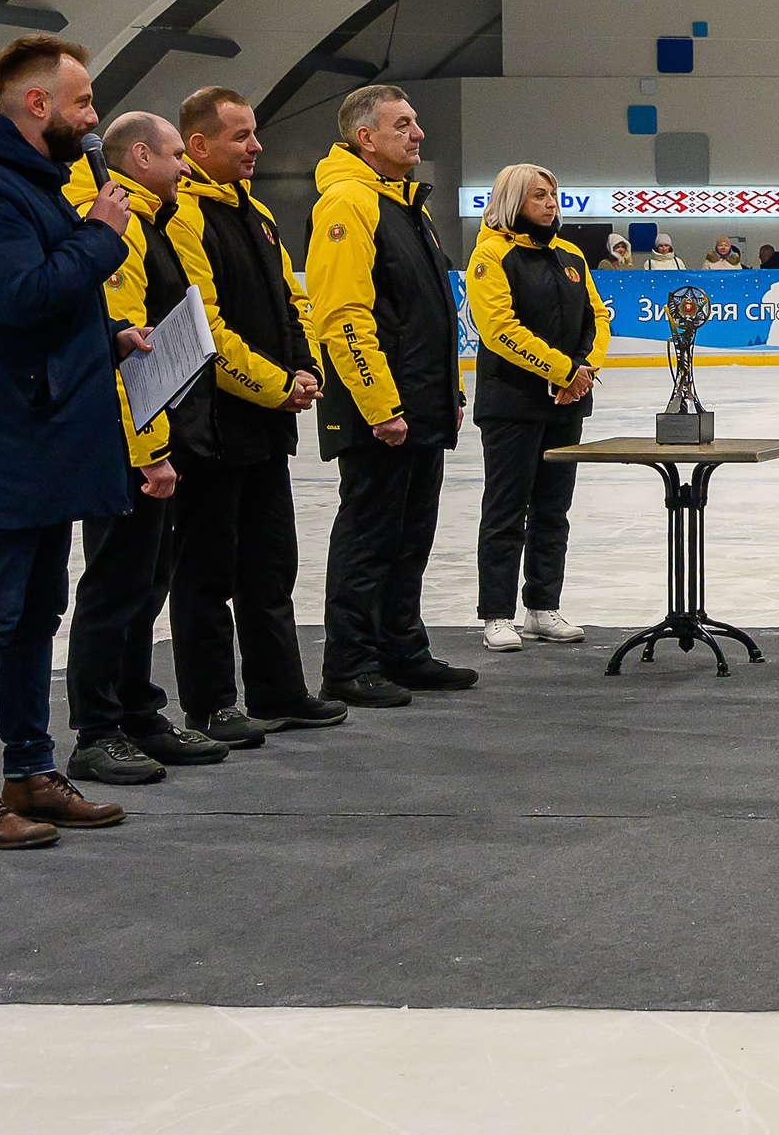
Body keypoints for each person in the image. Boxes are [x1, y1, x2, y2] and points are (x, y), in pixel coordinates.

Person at [0, 37, 142, 847]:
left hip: (43, 433)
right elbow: (19, 296)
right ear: (37, 105)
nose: (94, 120)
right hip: (3, 442)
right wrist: (101, 236)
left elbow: (43, 306)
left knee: (35, 611)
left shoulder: (32, 186)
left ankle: (29, 769)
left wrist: (107, 336)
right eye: (84, 103)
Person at [165, 87, 346, 745]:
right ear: (199, 146)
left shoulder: (258, 213)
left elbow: (293, 304)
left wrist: (307, 368)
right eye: (241, 136)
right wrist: (276, 385)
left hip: (267, 429)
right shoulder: (184, 218)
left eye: (255, 133)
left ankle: (278, 689)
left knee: (271, 565)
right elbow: (205, 328)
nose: (256, 145)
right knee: (207, 572)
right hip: (211, 431)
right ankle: (210, 702)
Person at [61, 112, 228, 784]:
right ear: (139, 156)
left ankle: (136, 711)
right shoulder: (114, 226)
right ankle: (95, 729)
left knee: (144, 584)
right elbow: (127, 349)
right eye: (173, 156)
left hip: (154, 436)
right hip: (125, 443)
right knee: (112, 586)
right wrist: (149, 453)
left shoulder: (149, 221)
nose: (185, 167)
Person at [306, 85, 474, 707]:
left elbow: (426, 313)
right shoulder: (348, 203)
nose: (419, 134)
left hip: (420, 406)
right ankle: (349, 664)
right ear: (364, 138)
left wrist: (447, 392)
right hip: (382, 411)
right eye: (402, 124)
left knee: (412, 535)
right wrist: (382, 406)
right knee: (370, 537)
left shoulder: (405, 205)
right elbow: (344, 315)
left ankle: (402, 647)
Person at [468, 163, 611, 652]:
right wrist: (561, 371)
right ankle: (496, 614)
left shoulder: (570, 255)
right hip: (512, 404)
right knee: (506, 510)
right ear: (512, 202)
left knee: (554, 509)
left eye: (553, 194)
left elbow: (596, 316)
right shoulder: (492, 256)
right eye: (538, 196)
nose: (551, 204)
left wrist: (584, 368)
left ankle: (542, 606)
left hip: (566, 403)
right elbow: (500, 330)